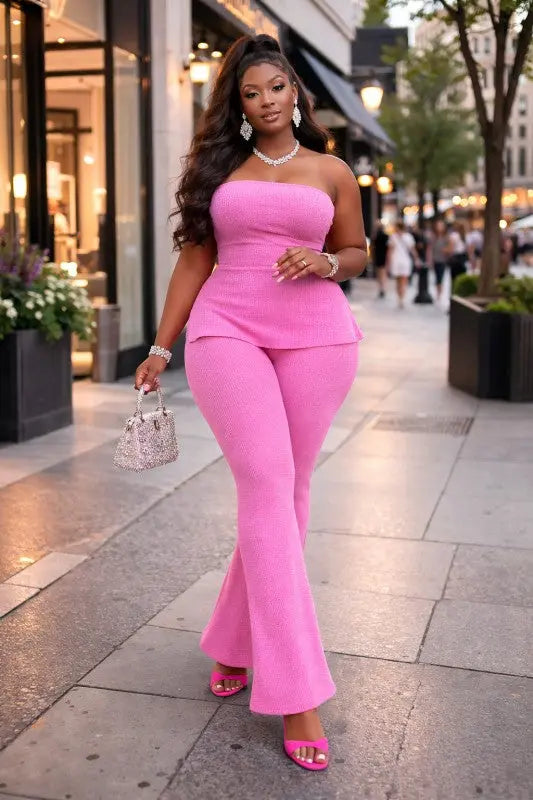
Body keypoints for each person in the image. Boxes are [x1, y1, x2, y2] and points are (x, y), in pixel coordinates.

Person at [134, 34, 367, 772]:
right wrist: (161, 346)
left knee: (288, 495)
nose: (265, 101)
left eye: (275, 87)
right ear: (237, 104)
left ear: (295, 90)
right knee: (265, 486)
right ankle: (297, 690)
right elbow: (194, 259)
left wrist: (327, 260)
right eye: (249, 93)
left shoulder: (331, 171)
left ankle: (235, 640)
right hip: (225, 332)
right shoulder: (219, 169)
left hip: (317, 341)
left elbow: (358, 251)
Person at [386, 220, 419, 308]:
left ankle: (400, 298)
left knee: (399, 281)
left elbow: (390, 251)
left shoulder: (393, 237)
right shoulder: (408, 237)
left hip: (397, 260)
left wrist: (388, 263)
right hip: (404, 261)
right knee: (403, 281)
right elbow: (413, 250)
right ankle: (401, 298)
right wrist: (416, 259)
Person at [429, 219, 449, 305]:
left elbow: (449, 248)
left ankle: (439, 293)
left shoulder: (446, 237)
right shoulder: (433, 237)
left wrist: (446, 251)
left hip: (442, 260)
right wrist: (430, 260)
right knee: (437, 277)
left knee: (440, 277)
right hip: (435, 259)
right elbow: (430, 249)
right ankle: (438, 292)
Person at [445, 221, 468, 291]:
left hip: (455, 259)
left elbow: (450, 249)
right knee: (461, 278)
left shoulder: (454, 236)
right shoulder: (465, 235)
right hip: (463, 259)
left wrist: (444, 250)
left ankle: (454, 294)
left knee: (454, 279)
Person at [371, 221, 389, 298]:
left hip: (378, 255)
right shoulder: (386, 236)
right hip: (384, 256)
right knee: (383, 272)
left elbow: (372, 247)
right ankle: (382, 288)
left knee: (379, 273)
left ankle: (381, 287)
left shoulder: (376, 236)